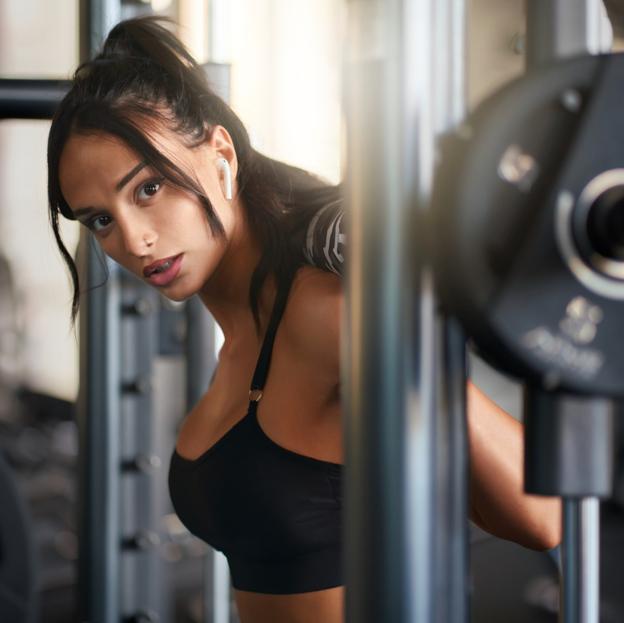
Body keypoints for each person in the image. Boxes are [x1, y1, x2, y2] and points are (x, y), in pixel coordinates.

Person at [47, 17, 561, 623]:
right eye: (100, 220)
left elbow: (540, 517)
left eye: (150, 188)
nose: (134, 241)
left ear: (221, 156)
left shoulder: (325, 316)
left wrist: (407, 336)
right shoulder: (242, 334)